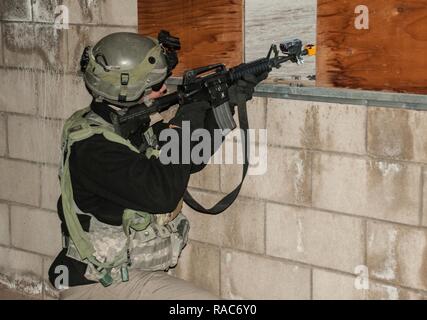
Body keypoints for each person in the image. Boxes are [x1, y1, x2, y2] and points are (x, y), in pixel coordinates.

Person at [48, 32, 265, 300]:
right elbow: (163, 192)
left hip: (122, 274)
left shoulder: (122, 128)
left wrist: (228, 100)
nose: (163, 89)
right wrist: (186, 117)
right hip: (95, 282)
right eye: (155, 84)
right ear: (126, 89)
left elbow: (188, 159)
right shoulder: (94, 149)